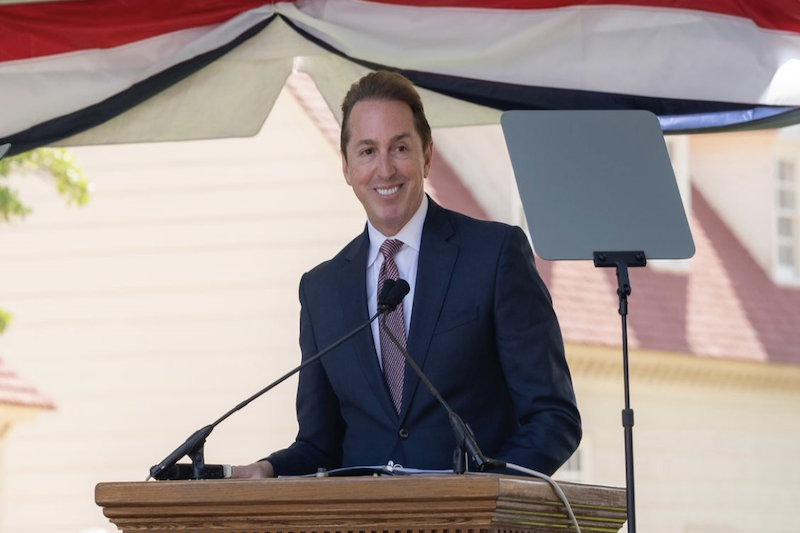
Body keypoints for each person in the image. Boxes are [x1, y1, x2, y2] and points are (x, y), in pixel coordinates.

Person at [233, 71, 580, 478]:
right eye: (367, 151)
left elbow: (552, 416)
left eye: (400, 148)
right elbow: (319, 445)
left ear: (427, 156)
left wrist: (484, 493)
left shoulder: (495, 255)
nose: (384, 170)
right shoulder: (320, 290)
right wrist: (268, 469)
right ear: (346, 167)